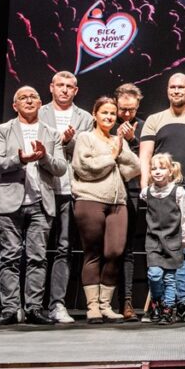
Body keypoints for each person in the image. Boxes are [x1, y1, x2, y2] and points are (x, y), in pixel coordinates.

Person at [0, 86, 67, 326]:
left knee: (38, 258)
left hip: (41, 203)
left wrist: (44, 157)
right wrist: (19, 159)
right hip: (9, 202)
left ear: (40, 103)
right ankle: (10, 308)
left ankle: (34, 308)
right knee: (9, 257)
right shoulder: (3, 130)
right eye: (23, 97)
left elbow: (61, 167)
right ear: (15, 105)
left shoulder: (51, 133)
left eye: (33, 97)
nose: (29, 100)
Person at [139, 73, 185, 321]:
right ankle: (160, 304)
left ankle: (183, 304)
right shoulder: (154, 120)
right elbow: (145, 156)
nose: (177, 91)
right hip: (159, 192)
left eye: (181, 87)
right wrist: (145, 187)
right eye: (173, 87)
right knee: (159, 249)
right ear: (167, 90)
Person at [71, 96, 141, 323]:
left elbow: (134, 168)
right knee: (93, 252)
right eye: (104, 113)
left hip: (118, 202)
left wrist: (120, 150)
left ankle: (106, 305)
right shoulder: (85, 138)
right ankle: (93, 306)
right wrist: (111, 156)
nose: (109, 117)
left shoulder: (117, 140)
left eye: (112, 113)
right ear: (95, 114)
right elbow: (85, 168)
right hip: (90, 199)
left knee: (115, 252)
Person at [39, 70, 94, 324]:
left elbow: (85, 151)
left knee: (64, 247)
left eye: (69, 86)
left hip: (69, 188)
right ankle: (31, 304)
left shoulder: (85, 118)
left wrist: (69, 142)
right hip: (41, 187)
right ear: (51, 87)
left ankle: (57, 304)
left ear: (76, 90)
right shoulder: (39, 113)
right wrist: (59, 141)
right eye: (59, 85)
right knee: (36, 248)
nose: (64, 89)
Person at [141, 153, 185, 325]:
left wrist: (184, 237)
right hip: (154, 241)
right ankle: (157, 302)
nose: (157, 171)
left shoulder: (178, 192)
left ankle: (168, 309)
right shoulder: (147, 193)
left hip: (172, 240)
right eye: (154, 168)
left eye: (162, 168)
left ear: (170, 171)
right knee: (154, 275)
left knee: (170, 278)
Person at [113, 83, 145, 321]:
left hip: (131, 191)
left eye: (131, 110)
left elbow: (145, 161)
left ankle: (126, 302)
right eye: (122, 109)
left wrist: (133, 140)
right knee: (104, 249)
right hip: (103, 191)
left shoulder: (142, 126)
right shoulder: (105, 121)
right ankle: (102, 303)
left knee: (127, 249)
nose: (126, 114)